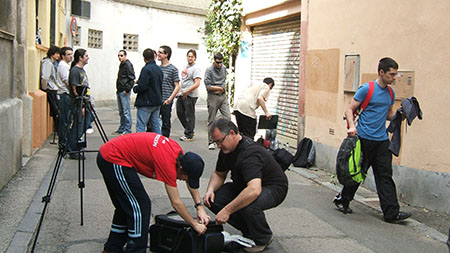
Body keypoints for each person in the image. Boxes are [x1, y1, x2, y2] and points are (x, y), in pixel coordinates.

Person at [97, 132, 209, 253]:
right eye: (184, 178)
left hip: (109, 155)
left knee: (125, 206)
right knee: (141, 205)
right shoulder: (168, 164)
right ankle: (136, 249)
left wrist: (199, 207)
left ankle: (112, 248)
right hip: (114, 158)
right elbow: (176, 203)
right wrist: (194, 225)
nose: (182, 180)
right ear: (181, 169)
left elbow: (190, 183)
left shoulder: (179, 155)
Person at [334, 57, 412, 223]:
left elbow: (388, 114)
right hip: (363, 139)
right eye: (391, 74)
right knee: (358, 173)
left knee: (385, 175)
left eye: (396, 74)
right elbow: (349, 110)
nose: (394, 78)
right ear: (381, 72)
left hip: (382, 140)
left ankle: (391, 213)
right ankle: (343, 199)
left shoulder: (390, 93)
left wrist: (400, 115)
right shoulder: (367, 89)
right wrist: (351, 127)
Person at [203, 118, 288, 252]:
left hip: (273, 188)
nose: (218, 146)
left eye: (220, 141)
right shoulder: (227, 150)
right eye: (216, 142)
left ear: (232, 133)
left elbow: (254, 190)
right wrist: (210, 190)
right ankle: (250, 231)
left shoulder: (249, 153)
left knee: (249, 204)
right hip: (245, 185)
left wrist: (227, 211)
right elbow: (219, 174)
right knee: (214, 200)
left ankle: (263, 238)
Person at [204, 52, 231, 150]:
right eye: (217, 62)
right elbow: (207, 86)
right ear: (214, 60)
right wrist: (219, 88)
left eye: (221, 62)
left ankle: (226, 138)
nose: (219, 64)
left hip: (222, 97)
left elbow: (224, 81)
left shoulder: (223, 68)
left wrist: (222, 90)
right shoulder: (209, 70)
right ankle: (211, 142)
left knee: (228, 117)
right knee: (212, 120)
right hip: (213, 97)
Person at [67, 48, 90, 160]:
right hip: (79, 103)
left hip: (85, 101)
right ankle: (73, 149)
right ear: (80, 58)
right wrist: (82, 105)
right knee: (78, 126)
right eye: (86, 56)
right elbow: (75, 89)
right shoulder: (75, 71)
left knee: (85, 124)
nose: (88, 58)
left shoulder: (82, 70)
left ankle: (75, 145)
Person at [133, 48, 163, 134]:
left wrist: (135, 88)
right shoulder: (159, 69)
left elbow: (142, 86)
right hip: (157, 101)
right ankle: (159, 144)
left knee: (141, 125)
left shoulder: (146, 69)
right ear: (154, 57)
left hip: (146, 101)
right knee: (156, 125)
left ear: (144, 58)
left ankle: (141, 146)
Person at [176, 49, 201, 141]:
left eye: (192, 57)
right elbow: (182, 80)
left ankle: (189, 135)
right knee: (179, 112)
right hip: (182, 94)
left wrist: (186, 91)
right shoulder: (185, 66)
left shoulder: (196, 69)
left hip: (191, 95)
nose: (190, 58)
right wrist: (179, 92)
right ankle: (189, 129)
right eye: (189, 56)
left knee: (189, 115)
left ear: (195, 58)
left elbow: (197, 83)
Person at [157, 45, 180, 138]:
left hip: (166, 100)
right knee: (153, 122)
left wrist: (170, 99)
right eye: (158, 52)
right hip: (157, 100)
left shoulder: (173, 69)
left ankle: (165, 141)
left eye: (160, 52)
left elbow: (177, 86)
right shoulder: (157, 68)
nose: (158, 54)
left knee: (166, 122)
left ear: (166, 55)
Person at [113, 50, 135, 135]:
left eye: (121, 55)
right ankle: (122, 127)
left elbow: (131, 78)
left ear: (125, 56)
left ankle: (127, 129)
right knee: (121, 111)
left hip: (124, 91)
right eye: (118, 55)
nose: (120, 57)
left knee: (126, 111)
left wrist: (128, 89)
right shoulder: (122, 65)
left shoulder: (128, 65)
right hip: (120, 90)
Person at [55, 46, 73, 151]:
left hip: (64, 94)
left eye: (71, 54)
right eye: (68, 54)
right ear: (63, 56)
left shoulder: (65, 65)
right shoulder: (63, 66)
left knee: (66, 120)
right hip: (64, 94)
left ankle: (64, 142)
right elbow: (67, 81)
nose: (70, 56)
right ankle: (63, 144)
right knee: (65, 120)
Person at [40, 45, 61, 126]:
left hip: (52, 89)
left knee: (56, 110)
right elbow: (45, 77)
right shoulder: (47, 63)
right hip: (50, 89)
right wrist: (44, 88)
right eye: (57, 53)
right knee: (56, 110)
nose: (58, 56)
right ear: (52, 54)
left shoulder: (51, 63)